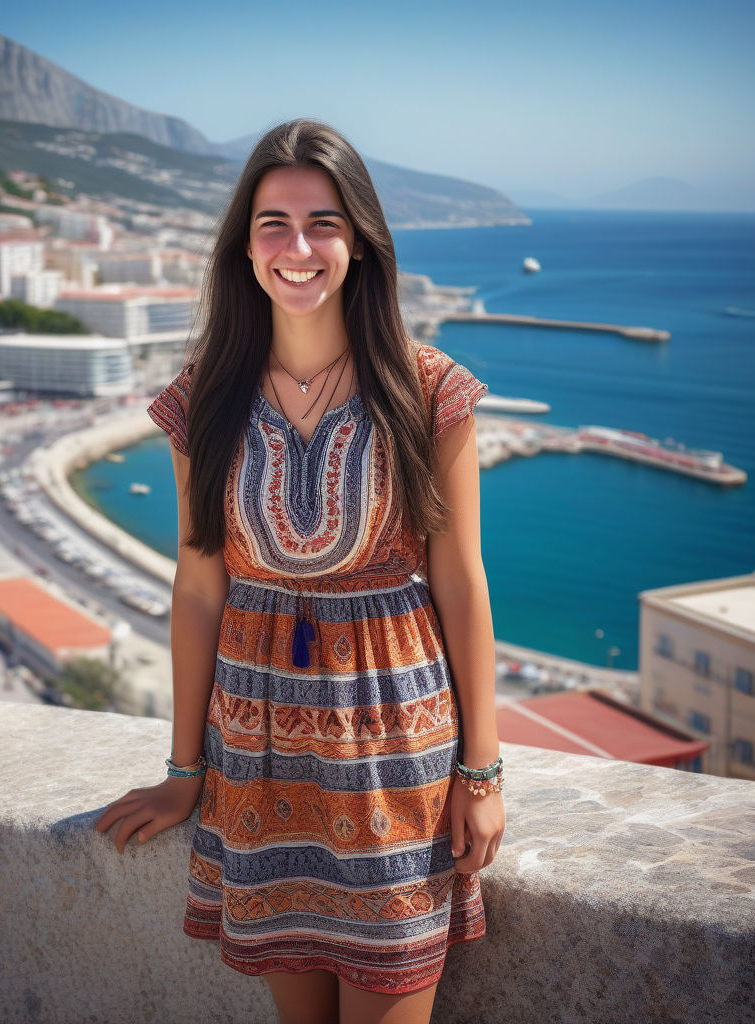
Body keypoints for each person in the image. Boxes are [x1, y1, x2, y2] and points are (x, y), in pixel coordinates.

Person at [95, 119, 505, 1024]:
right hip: (258, 759)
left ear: (358, 242)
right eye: (273, 223)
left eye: (323, 223)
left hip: (395, 758)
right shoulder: (203, 396)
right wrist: (182, 768)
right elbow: (200, 588)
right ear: (244, 247)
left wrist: (482, 774)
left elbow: (464, 586)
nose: (299, 247)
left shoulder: (430, 390)